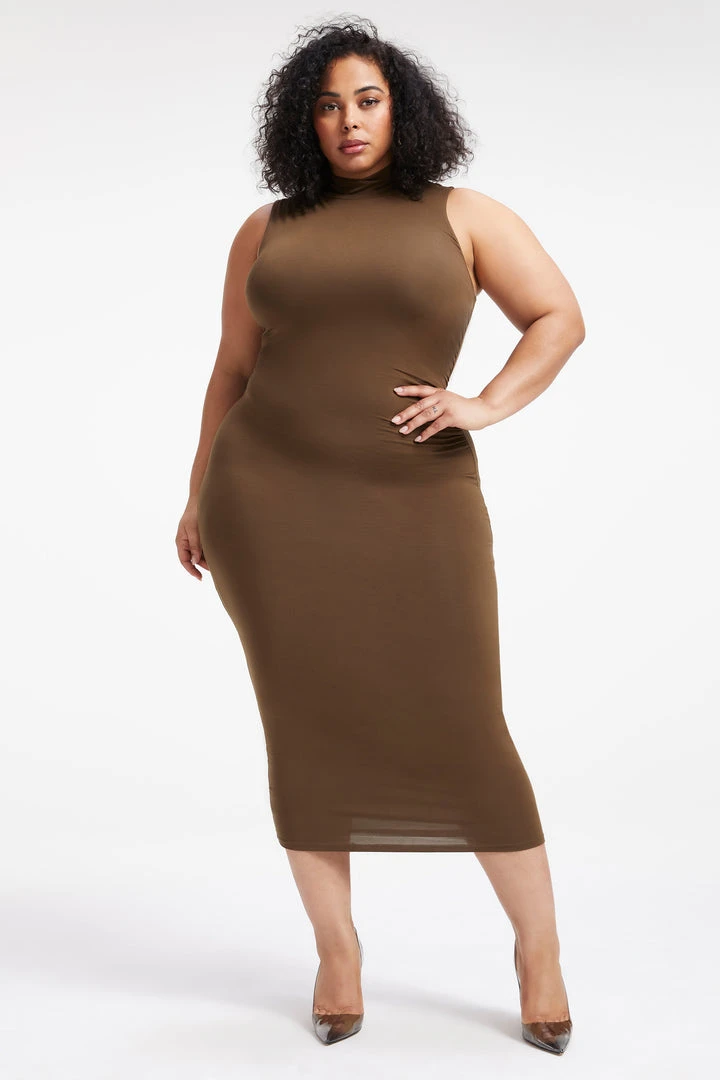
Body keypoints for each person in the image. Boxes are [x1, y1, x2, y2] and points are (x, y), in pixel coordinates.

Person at [175, 18, 584, 1054]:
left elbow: (558, 318)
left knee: (467, 725)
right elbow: (232, 369)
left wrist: (484, 404)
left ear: (402, 108)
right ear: (302, 121)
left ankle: (538, 952)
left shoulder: (464, 215)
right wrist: (197, 494)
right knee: (304, 726)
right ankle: (338, 952)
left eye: (367, 100)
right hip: (268, 502)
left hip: (417, 498)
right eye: (327, 105)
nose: (348, 121)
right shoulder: (266, 229)